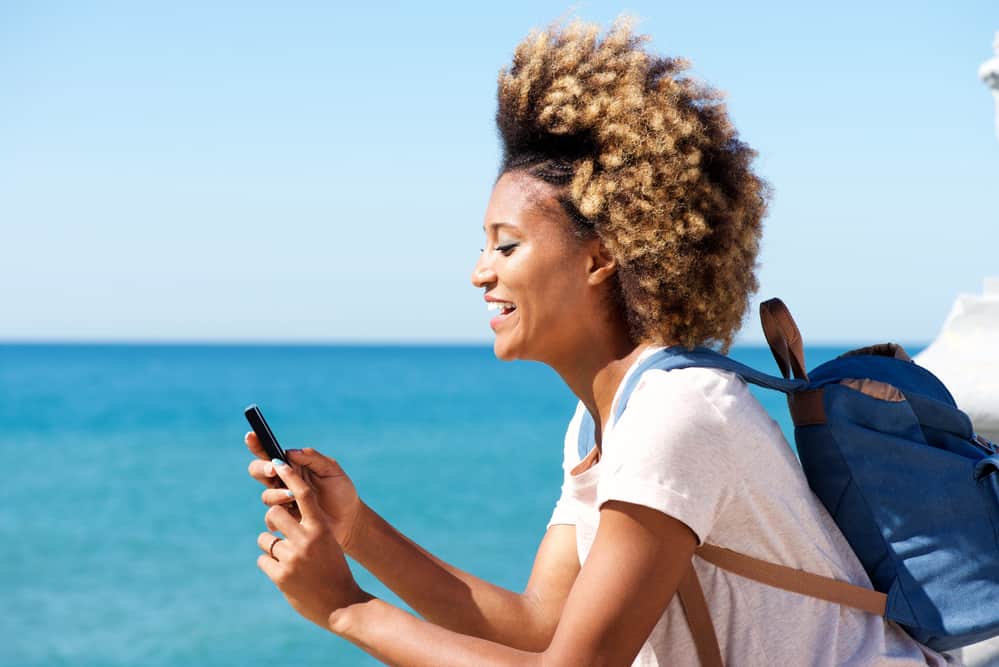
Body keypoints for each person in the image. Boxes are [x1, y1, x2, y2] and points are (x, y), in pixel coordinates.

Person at [245, 18, 952, 666]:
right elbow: (541, 626)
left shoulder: (677, 413)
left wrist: (347, 608)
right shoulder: (602, 420)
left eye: (506, 245)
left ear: (598, 257)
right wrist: (357, 528)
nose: (478, 272)